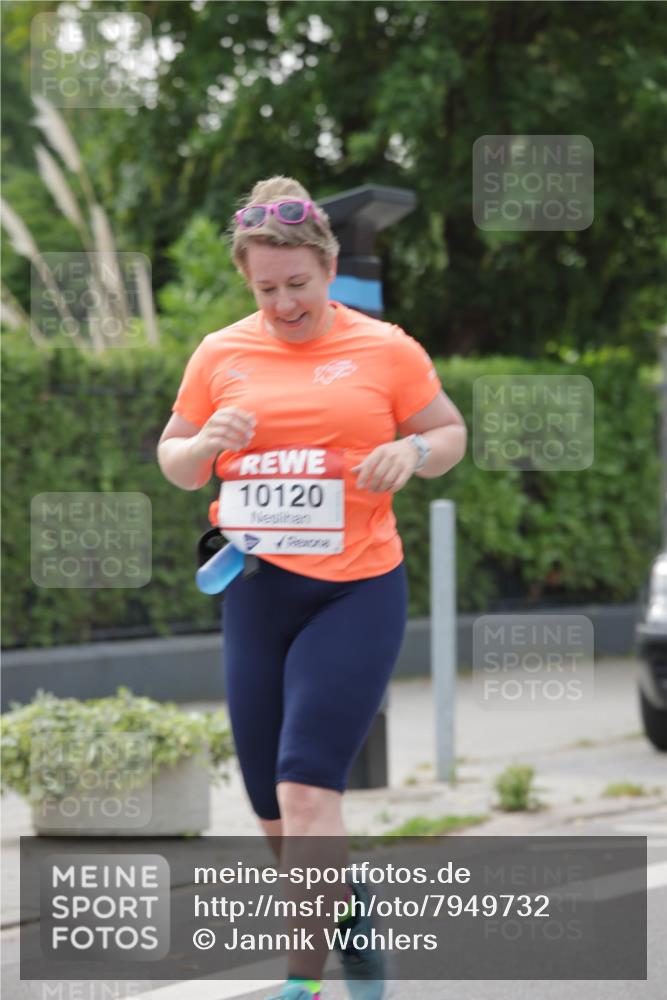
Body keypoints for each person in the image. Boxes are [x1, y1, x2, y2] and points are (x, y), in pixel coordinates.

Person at [157, 176, 467, 1000]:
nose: (285, 302)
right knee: (270, 809)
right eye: (266, 289)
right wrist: (204, 446)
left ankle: (302, 983)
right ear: (246, 280)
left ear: (328, 269)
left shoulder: (386, 349)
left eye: (299, 284)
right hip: (258, 591)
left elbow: (447, 430)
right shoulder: (220, 353)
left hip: (355, 590)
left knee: (304, 787)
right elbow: (176, 461)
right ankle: (353, 920)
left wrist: (414, 454)